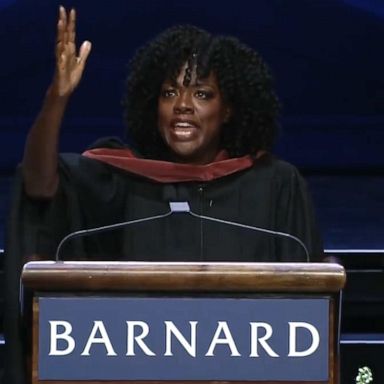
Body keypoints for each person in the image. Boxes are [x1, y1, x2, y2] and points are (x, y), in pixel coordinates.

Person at [3, 6, 323, 383]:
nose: (182, 105)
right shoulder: (121, 178)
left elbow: (305, 313)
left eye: (202, 94)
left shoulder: (274, 185)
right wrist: (56, 97)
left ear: (229, 110)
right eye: (169, 92)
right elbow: (40, 183)